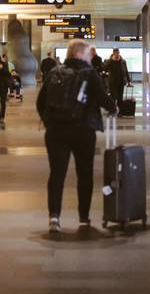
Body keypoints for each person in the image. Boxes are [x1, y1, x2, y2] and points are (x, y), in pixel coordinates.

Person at [37, 39, 118, 232]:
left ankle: (54, 217)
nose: (90, 58)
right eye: (88, 55)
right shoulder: (90, 74)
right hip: (83, 130)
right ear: (80, 54)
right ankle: (83, 217)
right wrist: (113, 108)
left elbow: (41, 102)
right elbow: (103, 98)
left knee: (57, 174)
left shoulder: (54, 73)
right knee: (84, 173)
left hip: (56, 131)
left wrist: (50, 122)